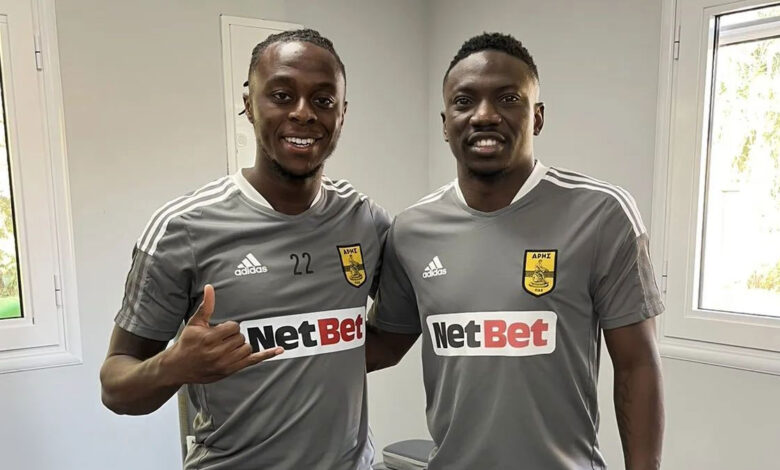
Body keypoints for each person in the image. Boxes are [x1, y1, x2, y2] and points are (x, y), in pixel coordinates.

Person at [366, 32, 664, 470]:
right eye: (464, 101)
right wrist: (275, 348)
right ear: (445, 123)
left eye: (508, 99)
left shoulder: (602, 213)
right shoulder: (411, 230)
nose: (485, 115)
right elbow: (385, 345)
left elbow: (637, 363)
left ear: (537, 117)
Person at [100, 28, 390, 470]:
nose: (303, 113)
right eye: (281, 95)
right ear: (249, 104)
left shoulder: (365, 220)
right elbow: (115, 387)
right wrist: (174, 366)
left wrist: (322, 361)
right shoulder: (183, 228)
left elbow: (399, 329)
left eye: (323, 100)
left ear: (342, 113)